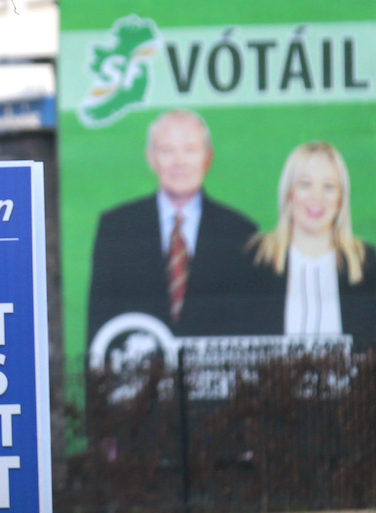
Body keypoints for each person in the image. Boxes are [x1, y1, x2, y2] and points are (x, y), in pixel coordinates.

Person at [86, 109, 262, 343]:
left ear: (208, 158)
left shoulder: (241, 232)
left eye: (190, 150)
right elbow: (100, 327)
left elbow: (251, 327)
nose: (179, 162)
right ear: (151, 158)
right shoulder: (116, 227)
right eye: (167, 151)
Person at [247, 141, 376, 341]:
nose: (316, 197)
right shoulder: (255, 258)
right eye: (305, 184)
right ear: (289, 193)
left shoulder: (365, 261)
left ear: (341, 199)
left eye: (328, 187)